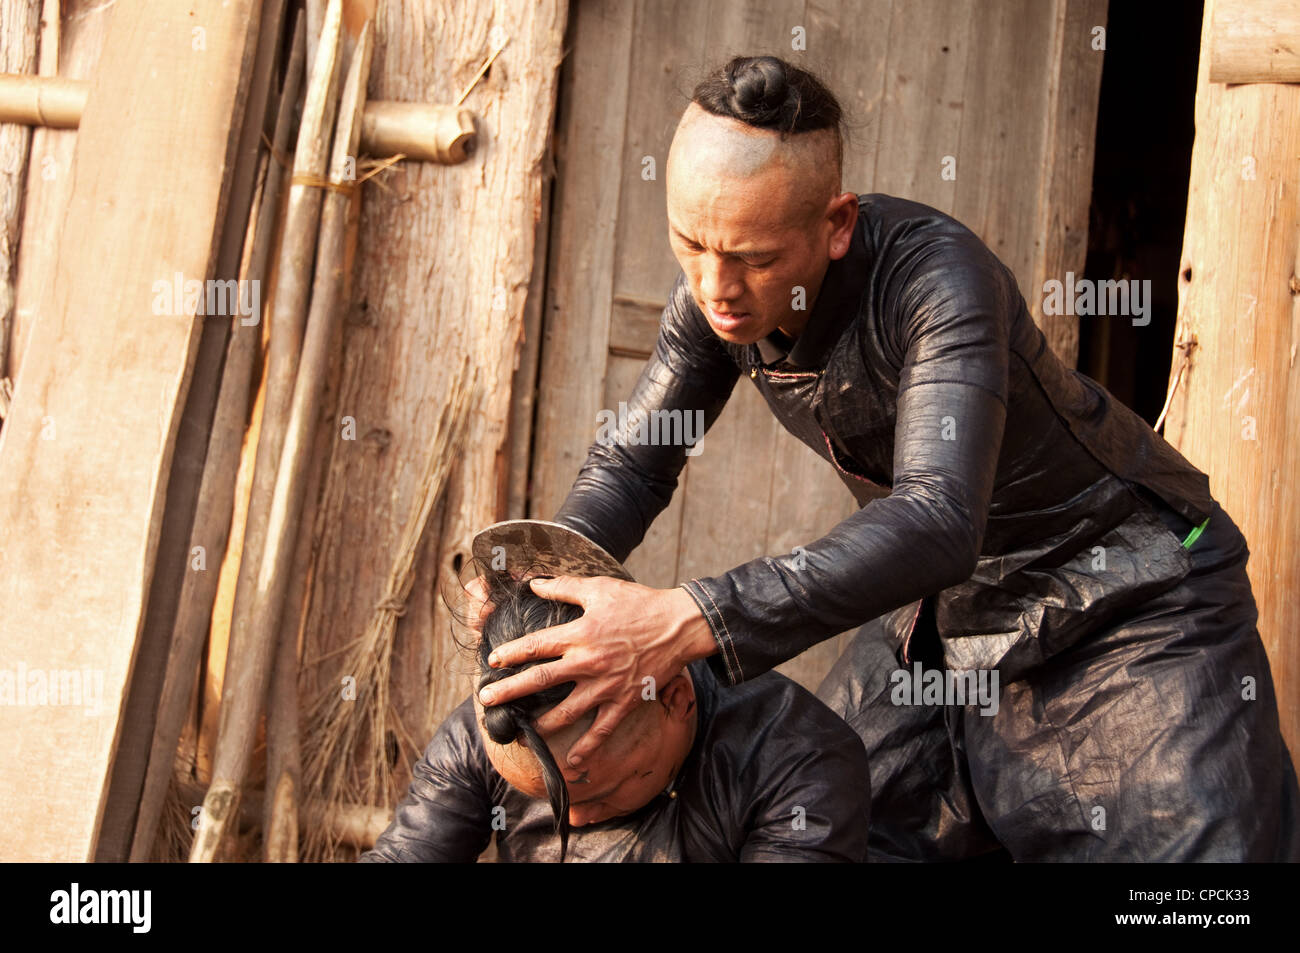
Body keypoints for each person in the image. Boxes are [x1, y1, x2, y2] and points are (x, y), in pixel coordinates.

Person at [469, 54, 1300, 861]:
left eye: (754, 259)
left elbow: (939, 518)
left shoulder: (938, 282)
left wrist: (689, 617)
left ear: (836, 225)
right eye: (690, 244)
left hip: (1122, 588)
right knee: (809, 809)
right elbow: (635, 462)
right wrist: (538, 589)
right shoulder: (713, 301)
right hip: (940, 609)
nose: (716, 286)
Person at [361, 573, 871, 862]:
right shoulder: (498, 727)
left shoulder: (800, 769)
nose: (574, 819)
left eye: (599, 790)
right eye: (546, 797)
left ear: (674, 699)